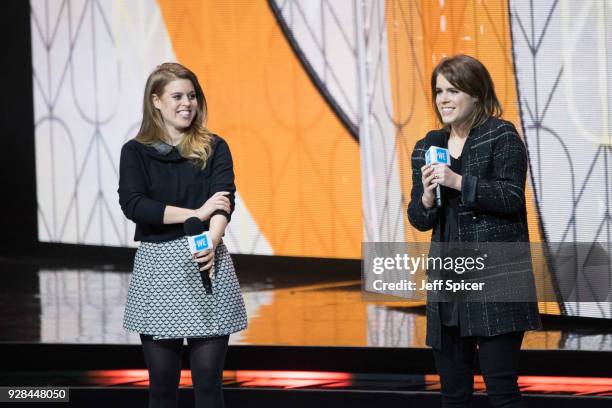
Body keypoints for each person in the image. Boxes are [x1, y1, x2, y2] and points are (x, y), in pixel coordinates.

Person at [407, 55, 541, 407]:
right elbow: (419, 219)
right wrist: (427, 195)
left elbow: (511, 197)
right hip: (450, 286)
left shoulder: (501, 135)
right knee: (453, 396)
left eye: (454, 89)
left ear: (477, 94)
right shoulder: (427, 145)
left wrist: (459, 181)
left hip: (496, 281)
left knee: (502, 394)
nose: (443, 99)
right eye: (439, 91)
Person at [118, 62, 247, 408]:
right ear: (156, 101)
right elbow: (134, 204)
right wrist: (194, 214)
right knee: (162, 384)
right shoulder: (135, 151)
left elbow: (223, 199)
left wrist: (213, 238)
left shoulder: (214, 146)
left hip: (206, 259)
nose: (186, 103)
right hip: (158, 266)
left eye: (191, 95)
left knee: (207, 381)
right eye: (177, 96)